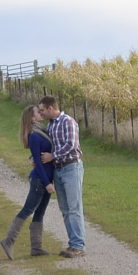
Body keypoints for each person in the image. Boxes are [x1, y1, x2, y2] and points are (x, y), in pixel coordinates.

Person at [0, 104, 54, 258]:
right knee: (28, 210)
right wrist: (47, 183)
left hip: (46, 178)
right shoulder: (34, 135)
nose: (41, 112)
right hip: (40, 179)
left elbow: (37, 156)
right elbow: (37, 159)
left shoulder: (42, 131)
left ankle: (36, 248)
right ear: (32, 117)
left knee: (40, 212)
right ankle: (9, 241)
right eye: (38, 111)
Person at [38, 95, 85, 257]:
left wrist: (53, 156)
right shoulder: (50, 126)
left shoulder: (68, 122)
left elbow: (71, 145)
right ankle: (73, 244)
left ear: (51, 108)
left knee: (74, 207)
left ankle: (78, 245)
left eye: (42, 110)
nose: (41, 113)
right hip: (58, 170)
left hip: (71, 167)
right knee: (65, 209)